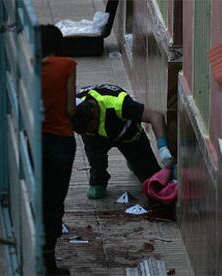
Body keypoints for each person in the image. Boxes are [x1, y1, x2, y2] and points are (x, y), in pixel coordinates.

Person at [72, 83, 174, 199]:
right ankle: (98, 181)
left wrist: (162, 147)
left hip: (128, 135)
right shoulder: (75, 109)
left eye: (90, 128)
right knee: (95, 156)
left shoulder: (119, 104)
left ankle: (133, 159)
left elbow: (156, 116)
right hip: (97, 142)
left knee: (153, 181)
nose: (89, 133)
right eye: (84, 132)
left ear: (94, 112)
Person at [40, 24, 77, 275]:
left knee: (37, 197)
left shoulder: (30, 66)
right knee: (54, 201)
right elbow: (70, 110)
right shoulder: (67, 66)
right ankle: (49, 261)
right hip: (61, 141)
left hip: (36, 140)